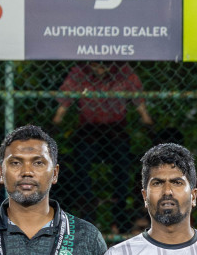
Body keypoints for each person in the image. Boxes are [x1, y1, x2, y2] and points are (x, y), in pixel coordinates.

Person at [52, 60, 153, 231]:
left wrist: (147, 121)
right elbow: (64, 103)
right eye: (96, 64)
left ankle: (119, 212)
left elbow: (139, 102)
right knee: (81, 162)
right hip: (88, 128)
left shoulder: (123, 71)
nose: (100, 68)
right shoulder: (80, 71)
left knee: (123, 165)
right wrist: (56, 121)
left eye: (104, 65)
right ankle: (87, 209)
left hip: (116, 128)